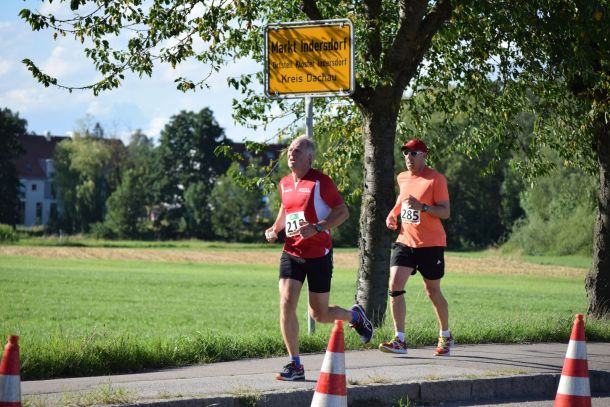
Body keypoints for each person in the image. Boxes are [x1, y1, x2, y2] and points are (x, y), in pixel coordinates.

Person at [265, 135, 373, 381]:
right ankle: (295, 364)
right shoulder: (284, 183)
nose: (291, 153)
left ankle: (355, 317)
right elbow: (286, 209)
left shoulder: (321, 182)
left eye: (297, 151)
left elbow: (343, 212)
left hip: (318, 255)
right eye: (290, 150)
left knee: (320, 314)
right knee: (286, 302)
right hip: (292, 252)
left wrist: (317, 227)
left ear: (309, 158)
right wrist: (275, 228)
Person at [378, 138, 453, 356]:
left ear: (424, 156)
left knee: (432, 291)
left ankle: (445, 335)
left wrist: (424, 207)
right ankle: (399, 340)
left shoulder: (436, 179)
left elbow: (445, 212)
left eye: (413, 153)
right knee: (394, 286)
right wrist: (392, 215)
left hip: (431, 244)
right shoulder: (402, 177)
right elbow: (401, 201)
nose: (408, 157)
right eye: (405, 153)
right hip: (405, 241)